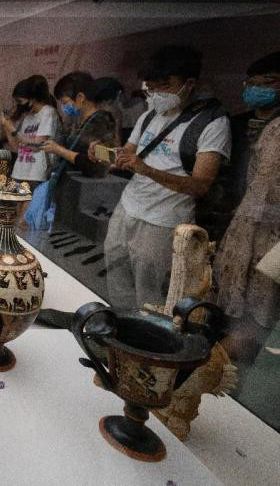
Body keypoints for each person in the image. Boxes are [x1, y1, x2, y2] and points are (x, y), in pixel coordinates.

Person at [104, 45, 230, 310]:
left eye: (164, 86)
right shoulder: (150, 114)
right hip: (128, 208)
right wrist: (105, 153)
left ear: (189, 84)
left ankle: (146, 341)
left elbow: (200, 186)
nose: (157, 94)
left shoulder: (212, 122)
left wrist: (146, 169)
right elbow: (128, 153)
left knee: (151, 290)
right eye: (151, 87)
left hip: (163, 221)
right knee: (116, 271)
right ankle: (120, 328)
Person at [213, 51, 280, 364]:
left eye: (265, 83)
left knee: (252, 325)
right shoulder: (258, 126)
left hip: (269, 246)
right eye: (251, 84)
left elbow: (266, 200)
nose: (254, 90)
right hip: (248, 233)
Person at [42, 77, 118, 178]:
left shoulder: (102, 121)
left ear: (80, 97)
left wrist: (59, 150)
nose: (63, 107)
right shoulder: (76, 120)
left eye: (64, 102)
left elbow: (100, 165)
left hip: (88, 188)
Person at [0, 75, 59, 190]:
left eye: (20, 101)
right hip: (20, 172)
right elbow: (17, 147)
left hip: (36, 174)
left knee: (29, 207)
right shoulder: (28, 117)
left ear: (32, 98)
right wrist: (6, 127)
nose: (18, 105)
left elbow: (38, 145)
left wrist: (13, 130)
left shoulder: (48, 112)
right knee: (17, 207)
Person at [53, 71, 94, 138]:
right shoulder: (74, 118)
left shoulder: (97, 122)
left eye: (65, 103)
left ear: (80, 97)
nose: (63, 107)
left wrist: (58, 148)